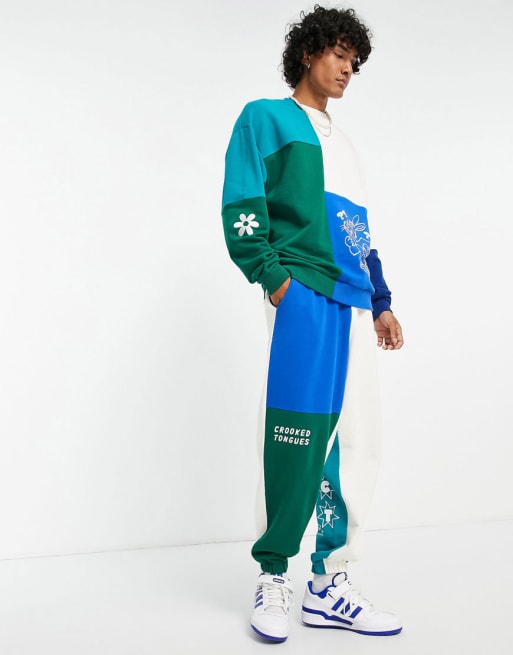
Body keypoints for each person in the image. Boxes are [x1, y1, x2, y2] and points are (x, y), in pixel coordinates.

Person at [221, 5, 404, 643]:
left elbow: (358, 233)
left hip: (353, 302)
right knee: (295, 432)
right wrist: (273, 278)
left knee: (355, 440)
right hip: (303, 294)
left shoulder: (345, 146)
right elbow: (242, 205)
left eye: (355, 61)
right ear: (308, 52)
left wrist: (380, 299)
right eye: (339, 54)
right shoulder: (265, 118)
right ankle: (274, 571)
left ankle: (329, 582)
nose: (348, 69)